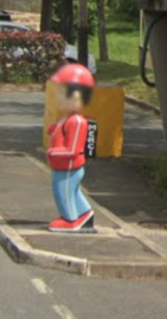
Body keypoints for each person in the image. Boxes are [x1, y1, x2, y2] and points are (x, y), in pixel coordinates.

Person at [46, 63, 96, 233]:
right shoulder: (68, 119)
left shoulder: (76, 122)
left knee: (63, 191)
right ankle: (84, 213)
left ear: (75, 95)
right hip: (64, 167)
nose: (57, 96)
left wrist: (53, 152)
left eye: (62, 92)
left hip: (68, 167)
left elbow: (73, 149)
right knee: (73, 192)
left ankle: (70, 219)